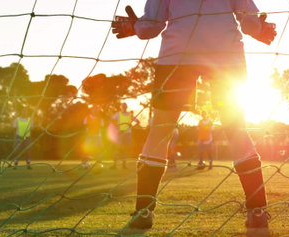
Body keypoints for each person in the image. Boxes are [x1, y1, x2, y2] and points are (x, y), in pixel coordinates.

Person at [112, 0, 276, 235]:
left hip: (178, 54)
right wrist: (260, 29)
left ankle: (143, 211)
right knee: (236, 130)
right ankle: (257, 211)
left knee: (161, 131)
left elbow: (150, 27)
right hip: (225, 56)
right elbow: (250, 23)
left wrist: (135, 26)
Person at [111, 103, 140, 169]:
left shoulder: (130, 115)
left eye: (125, 107)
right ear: (121, 107)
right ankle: (114, 165)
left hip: (127, 134)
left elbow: (138, 121)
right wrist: (116, 126)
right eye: (123, 107)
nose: (124, 108)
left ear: (126, 107)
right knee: (117, 149)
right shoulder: (118, 114)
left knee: (125, 149)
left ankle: (124, 165)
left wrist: (132, 126)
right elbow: (111, 119)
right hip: (120, 133)